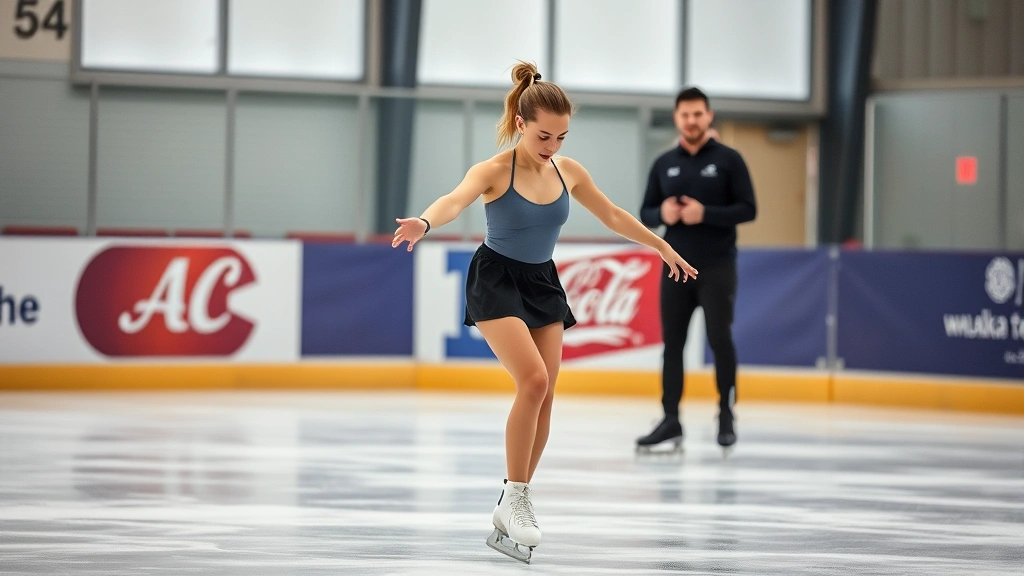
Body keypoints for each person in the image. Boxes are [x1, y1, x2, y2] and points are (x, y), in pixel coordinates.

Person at [392, 62, 697, 563]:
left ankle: (517, 497)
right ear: (520, 123)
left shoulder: (568, 170)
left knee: (548, 393)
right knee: (532, 381)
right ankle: (513, 498)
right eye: (543, 135)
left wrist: (660, 246)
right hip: (495, 279)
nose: (552, 145)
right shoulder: (493, 171)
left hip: (541, 282)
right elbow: (455, 200)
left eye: (561, 136)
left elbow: (615, 215)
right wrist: (426, 221)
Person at [636, 87, 756, 454]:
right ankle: (670, 419)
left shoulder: (729, 160)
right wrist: (664, 215)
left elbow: (748, 209)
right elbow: (645, 213)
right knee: (672, 345)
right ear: (677, 118)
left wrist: (706, 214)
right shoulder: (663, 163)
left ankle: (725, 414)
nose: (691, 121)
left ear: (708, 116)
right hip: (674, 267)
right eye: (685, 115)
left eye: (698, 114)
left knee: (720, 340)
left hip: (717, 266)